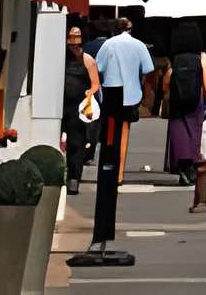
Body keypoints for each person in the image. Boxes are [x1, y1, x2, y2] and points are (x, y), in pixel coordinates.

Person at [93, 15, 156, 183]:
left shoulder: (108, 44)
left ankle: (108, 167)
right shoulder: (139, 45)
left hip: (111, 91)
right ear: (130, 29)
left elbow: (99, 66)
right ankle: (119, 172)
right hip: (130, 92)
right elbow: (148, 68)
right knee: (124, 132)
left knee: (110, 131)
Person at [162, 27, 206, 185]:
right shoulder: (201, 58)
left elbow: (166, 83)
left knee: (179, 134)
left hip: (177, 101)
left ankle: (182, 168)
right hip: (195, 101)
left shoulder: (175, 59)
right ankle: (191, 168)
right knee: (194, 134)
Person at [62, 22, 101, 193]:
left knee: (75, 143)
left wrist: (89, 92)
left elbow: (95, 84)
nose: (74, 44)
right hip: (60, 105)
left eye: (77, 39)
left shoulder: (88, 60)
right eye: (71, 39)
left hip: (77, 108)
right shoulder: (61, 57)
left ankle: (74, 177)